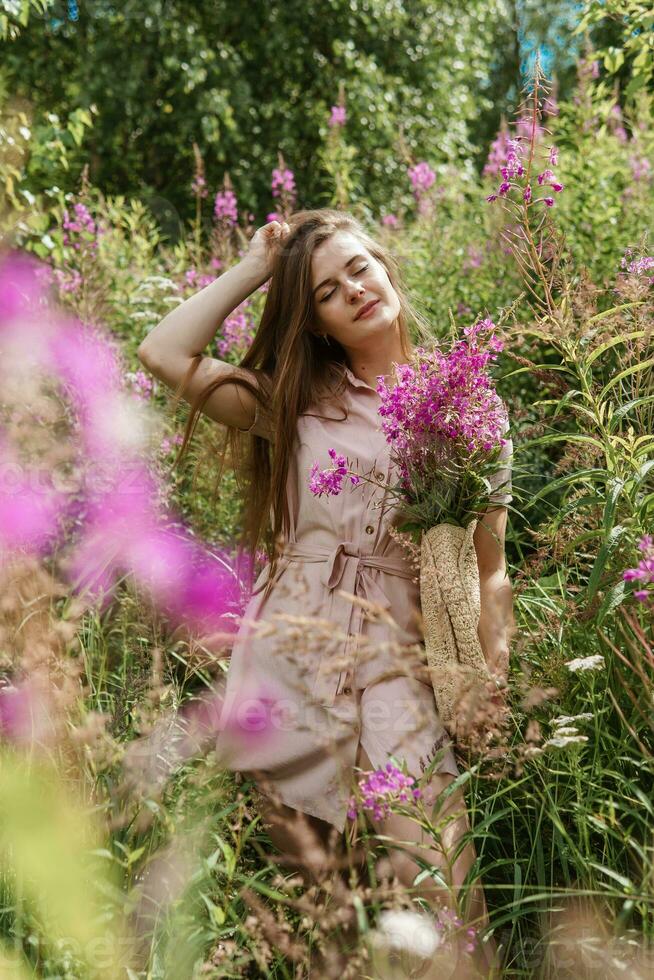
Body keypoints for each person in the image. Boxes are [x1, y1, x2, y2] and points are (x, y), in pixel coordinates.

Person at [137, 209, 513, 971]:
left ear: (387, 266)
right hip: (292, 654)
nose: (355, 292)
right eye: (327, 292)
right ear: (314, 323)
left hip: (399, 659)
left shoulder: (469, 404)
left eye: (360, 269)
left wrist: (489, 678)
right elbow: (164, 351)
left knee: (441, 880)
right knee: (320, 912)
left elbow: (488, 565)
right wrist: (254, 269)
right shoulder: (297, 403)